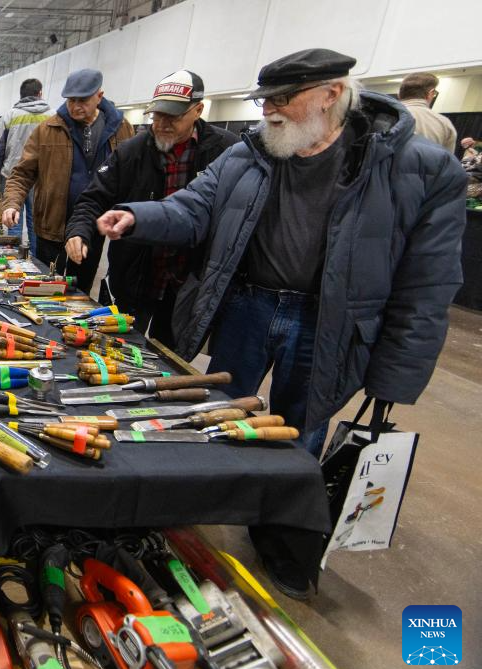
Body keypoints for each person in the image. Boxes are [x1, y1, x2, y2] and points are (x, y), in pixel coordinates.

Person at [95, 49, 466, 599]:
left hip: (328, 322)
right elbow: (195, 207)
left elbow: (428, 283)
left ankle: (280, 535)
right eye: (263, 99)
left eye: (281, 99)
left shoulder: (418, 168)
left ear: (331, 94)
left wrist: (395, 374)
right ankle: (202, 509)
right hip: (248, 307)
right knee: (217, 414)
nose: (267, 110)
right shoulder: (251, 154)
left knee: (300, 431)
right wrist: (138, 215)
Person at [65, 71, 239, 346]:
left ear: (198, 110)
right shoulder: (131, 151)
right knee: (118, 347)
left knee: (170, 354)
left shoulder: (226, 152)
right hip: (136, 275)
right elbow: (93, 198)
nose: (162, 124)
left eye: (173, 117)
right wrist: (79, 231)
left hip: (188, 280)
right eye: (157, 116)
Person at [0, 69, 133, 293]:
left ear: (99, 96)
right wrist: (12, 203)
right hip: (52, 226)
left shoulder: (120, 129)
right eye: (71, 100)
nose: (75, 106)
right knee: (45, 288)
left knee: (79, 291)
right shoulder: (47, 129)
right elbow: (22, 173)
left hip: (93, 227)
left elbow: (130, 172)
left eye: (83, 100)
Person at [0, 78, 52, 252]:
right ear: (40, 93)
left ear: (21, 94)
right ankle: (36, 263)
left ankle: (15, 260)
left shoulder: (10, 116)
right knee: (36, 223)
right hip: (42, 179)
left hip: (12, 176)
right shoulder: (53, 116)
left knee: (12, 220)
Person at [398, 72, 457, 154]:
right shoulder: (444, 123)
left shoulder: (384, 114)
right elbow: (446, 159)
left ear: (399, 93)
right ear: (431, 93)